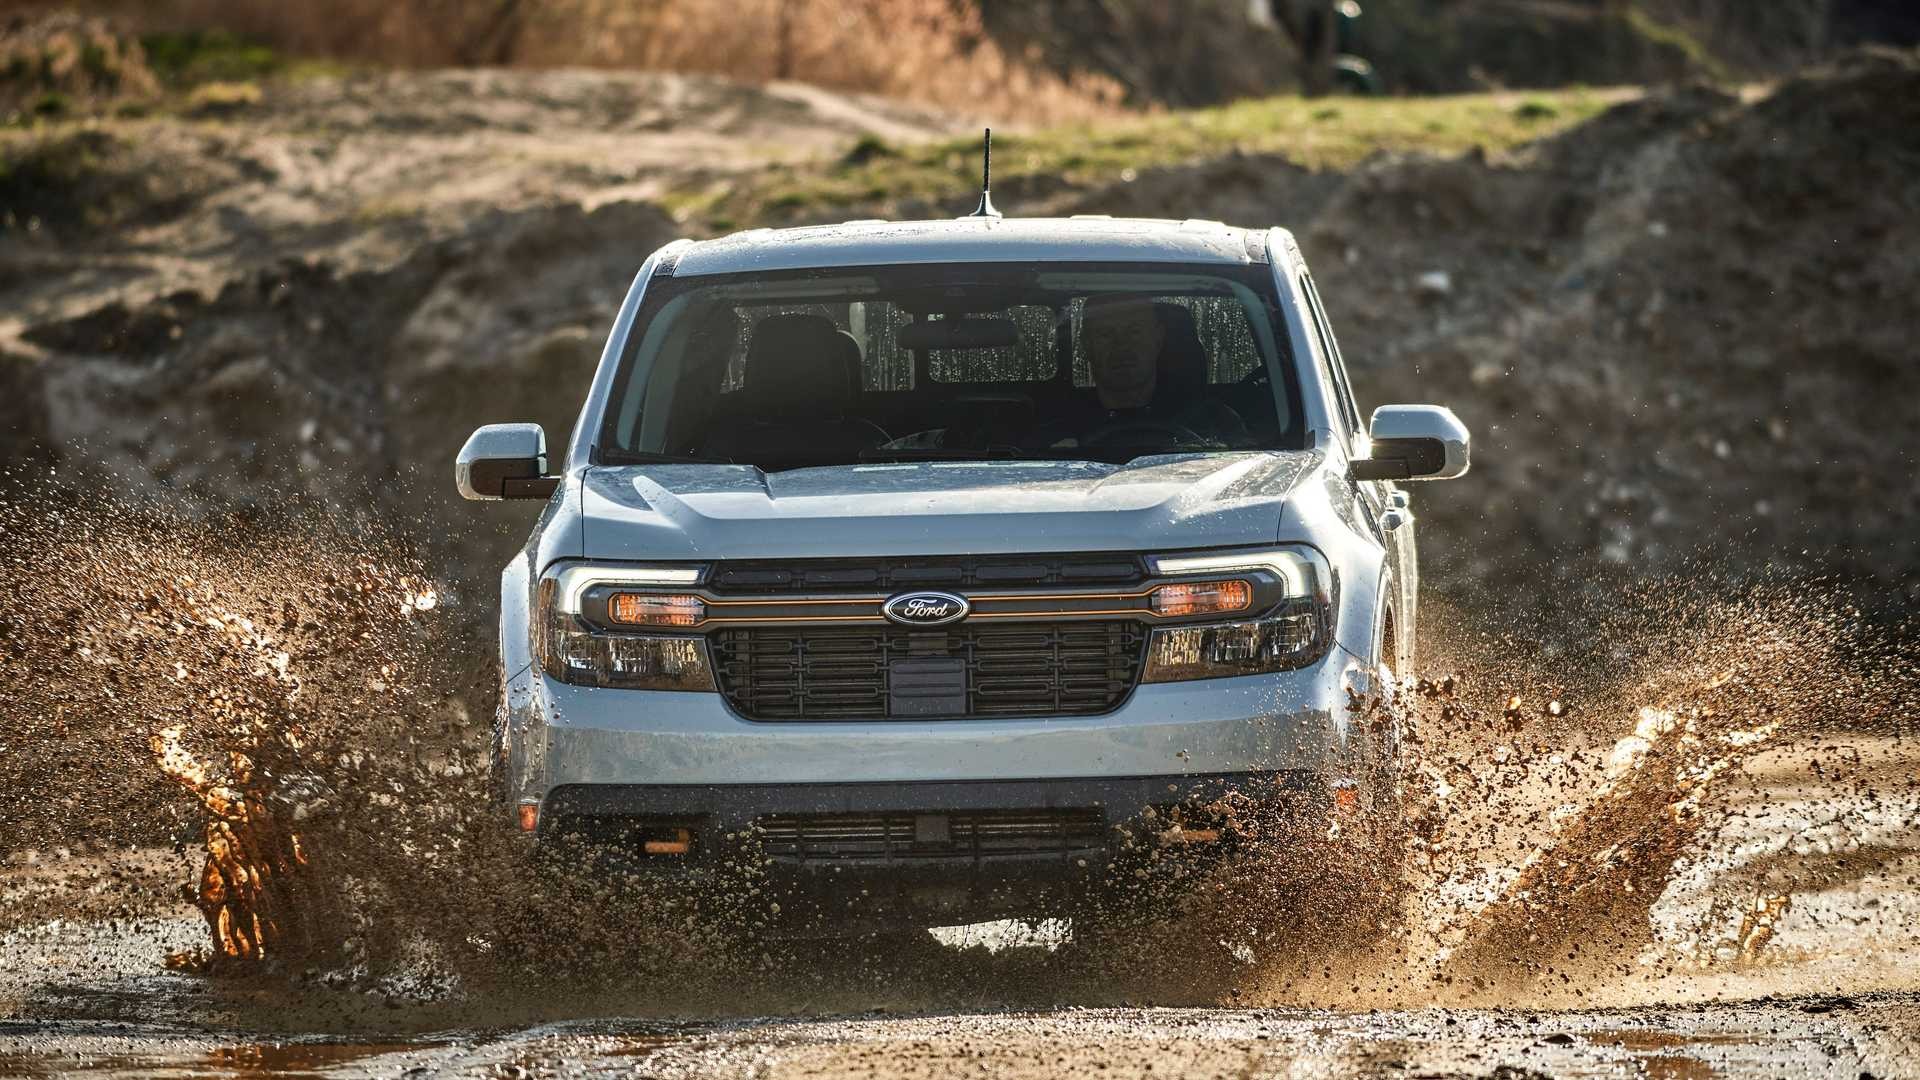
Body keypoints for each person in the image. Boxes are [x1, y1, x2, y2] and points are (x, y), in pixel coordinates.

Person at [1061, 296, 1248, 449]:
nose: (1121, 346)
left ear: (1158, 338)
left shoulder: (1214, 422)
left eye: (1134, 332)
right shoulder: (1061, 425)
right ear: (1087, 344)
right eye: (1105, 334)